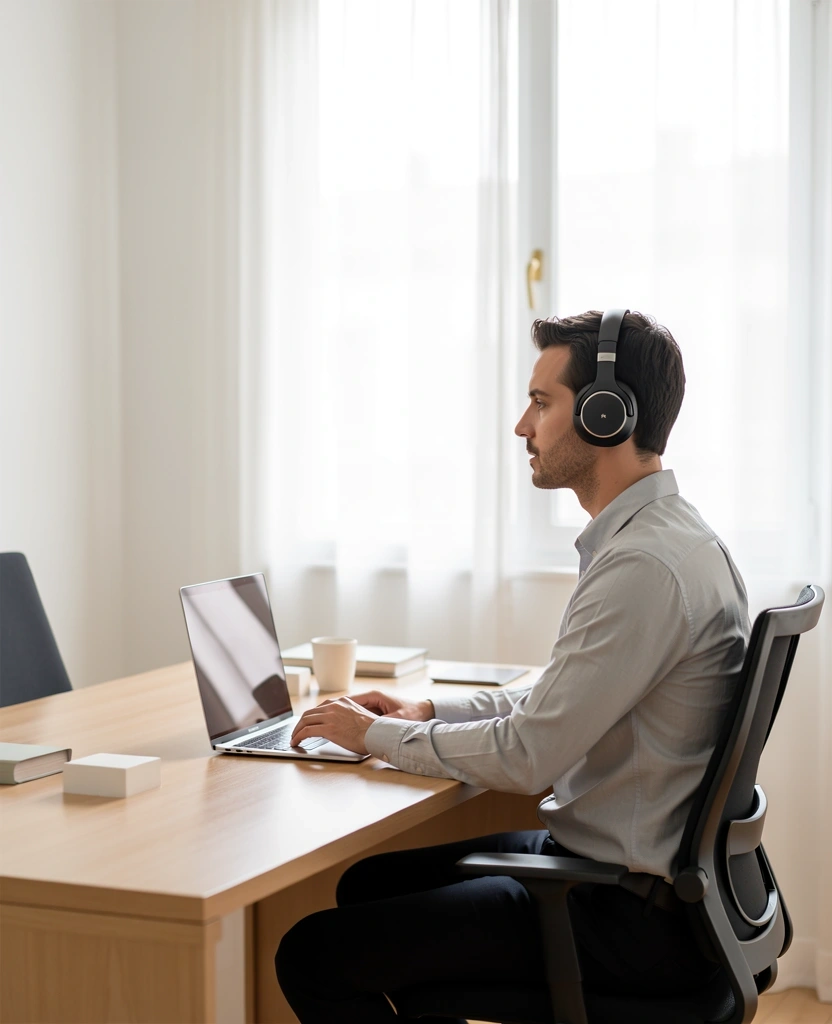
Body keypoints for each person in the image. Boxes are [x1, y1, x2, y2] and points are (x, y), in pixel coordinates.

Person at [276, 309, 749, 1022]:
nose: (522, 427)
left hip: (624, 913)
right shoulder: (667, 541)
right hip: (643, 879)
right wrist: (426, 714)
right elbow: (555, 705)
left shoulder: (644, 567)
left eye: (540, 401)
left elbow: (530, 756)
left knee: (311, 955)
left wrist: (368, 736)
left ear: (604, 413)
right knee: (369, 885)